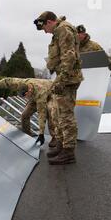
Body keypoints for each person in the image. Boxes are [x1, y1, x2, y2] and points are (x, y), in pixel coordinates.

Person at [34, 11, 83, 165]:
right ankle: (62, 146)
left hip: (67, 79)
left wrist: (61, 80)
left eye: (44, 28)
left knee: (66, 115)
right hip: (64, 77)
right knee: (59, 114)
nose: (45, 32)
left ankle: (68, 152)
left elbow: (69, 56)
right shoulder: (60, 30)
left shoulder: (63, 29)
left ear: (49, 22)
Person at [0, 78, 56, 147]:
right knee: (25, 114)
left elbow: (42, 114)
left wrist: (41, 133)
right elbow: (7, 81)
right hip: (34, 96)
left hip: (50, 94)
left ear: (29, 90)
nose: (25, 98)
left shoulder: (41, 92)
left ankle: (55, 137)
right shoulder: (19, 83)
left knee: (50, 111)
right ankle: (27, 134)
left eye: (26, 96)